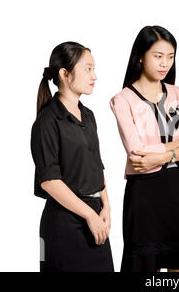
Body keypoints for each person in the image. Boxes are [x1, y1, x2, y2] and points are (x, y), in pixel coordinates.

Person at [110, 25, 179, 272]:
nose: (165, 64)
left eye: (170, 57)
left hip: (177, 190)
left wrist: (168, 153)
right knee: (143, 267)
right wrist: (178, 146)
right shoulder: (123, 100)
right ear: (141, 55)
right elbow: (138, 152)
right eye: (158, 56)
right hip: (143, 194)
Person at [31, 42, 114, 272]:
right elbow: (49, 180)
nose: (94, 76)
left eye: (94, 69)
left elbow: (97, 165)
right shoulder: (47, 121)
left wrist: (106, 207)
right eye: (88, 69)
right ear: (64, 74)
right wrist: (89, 215)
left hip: (96, 218)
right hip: (65, 224)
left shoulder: (88, 116)